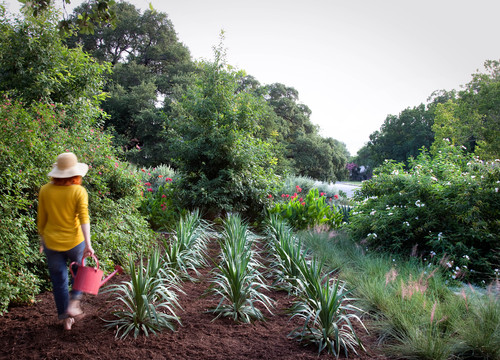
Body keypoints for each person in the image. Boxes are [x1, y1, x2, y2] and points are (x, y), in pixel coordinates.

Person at [37, 152, 95, 330]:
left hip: (51, 243)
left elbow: (42, 218)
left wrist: (41, 240)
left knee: (58, 279)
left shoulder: (45, 190)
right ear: (75, 173)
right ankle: (73, 304)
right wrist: (88, 244)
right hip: (75, 242)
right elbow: (84, 218)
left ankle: (65, 319)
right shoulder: (79, 191)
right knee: (80, 273)